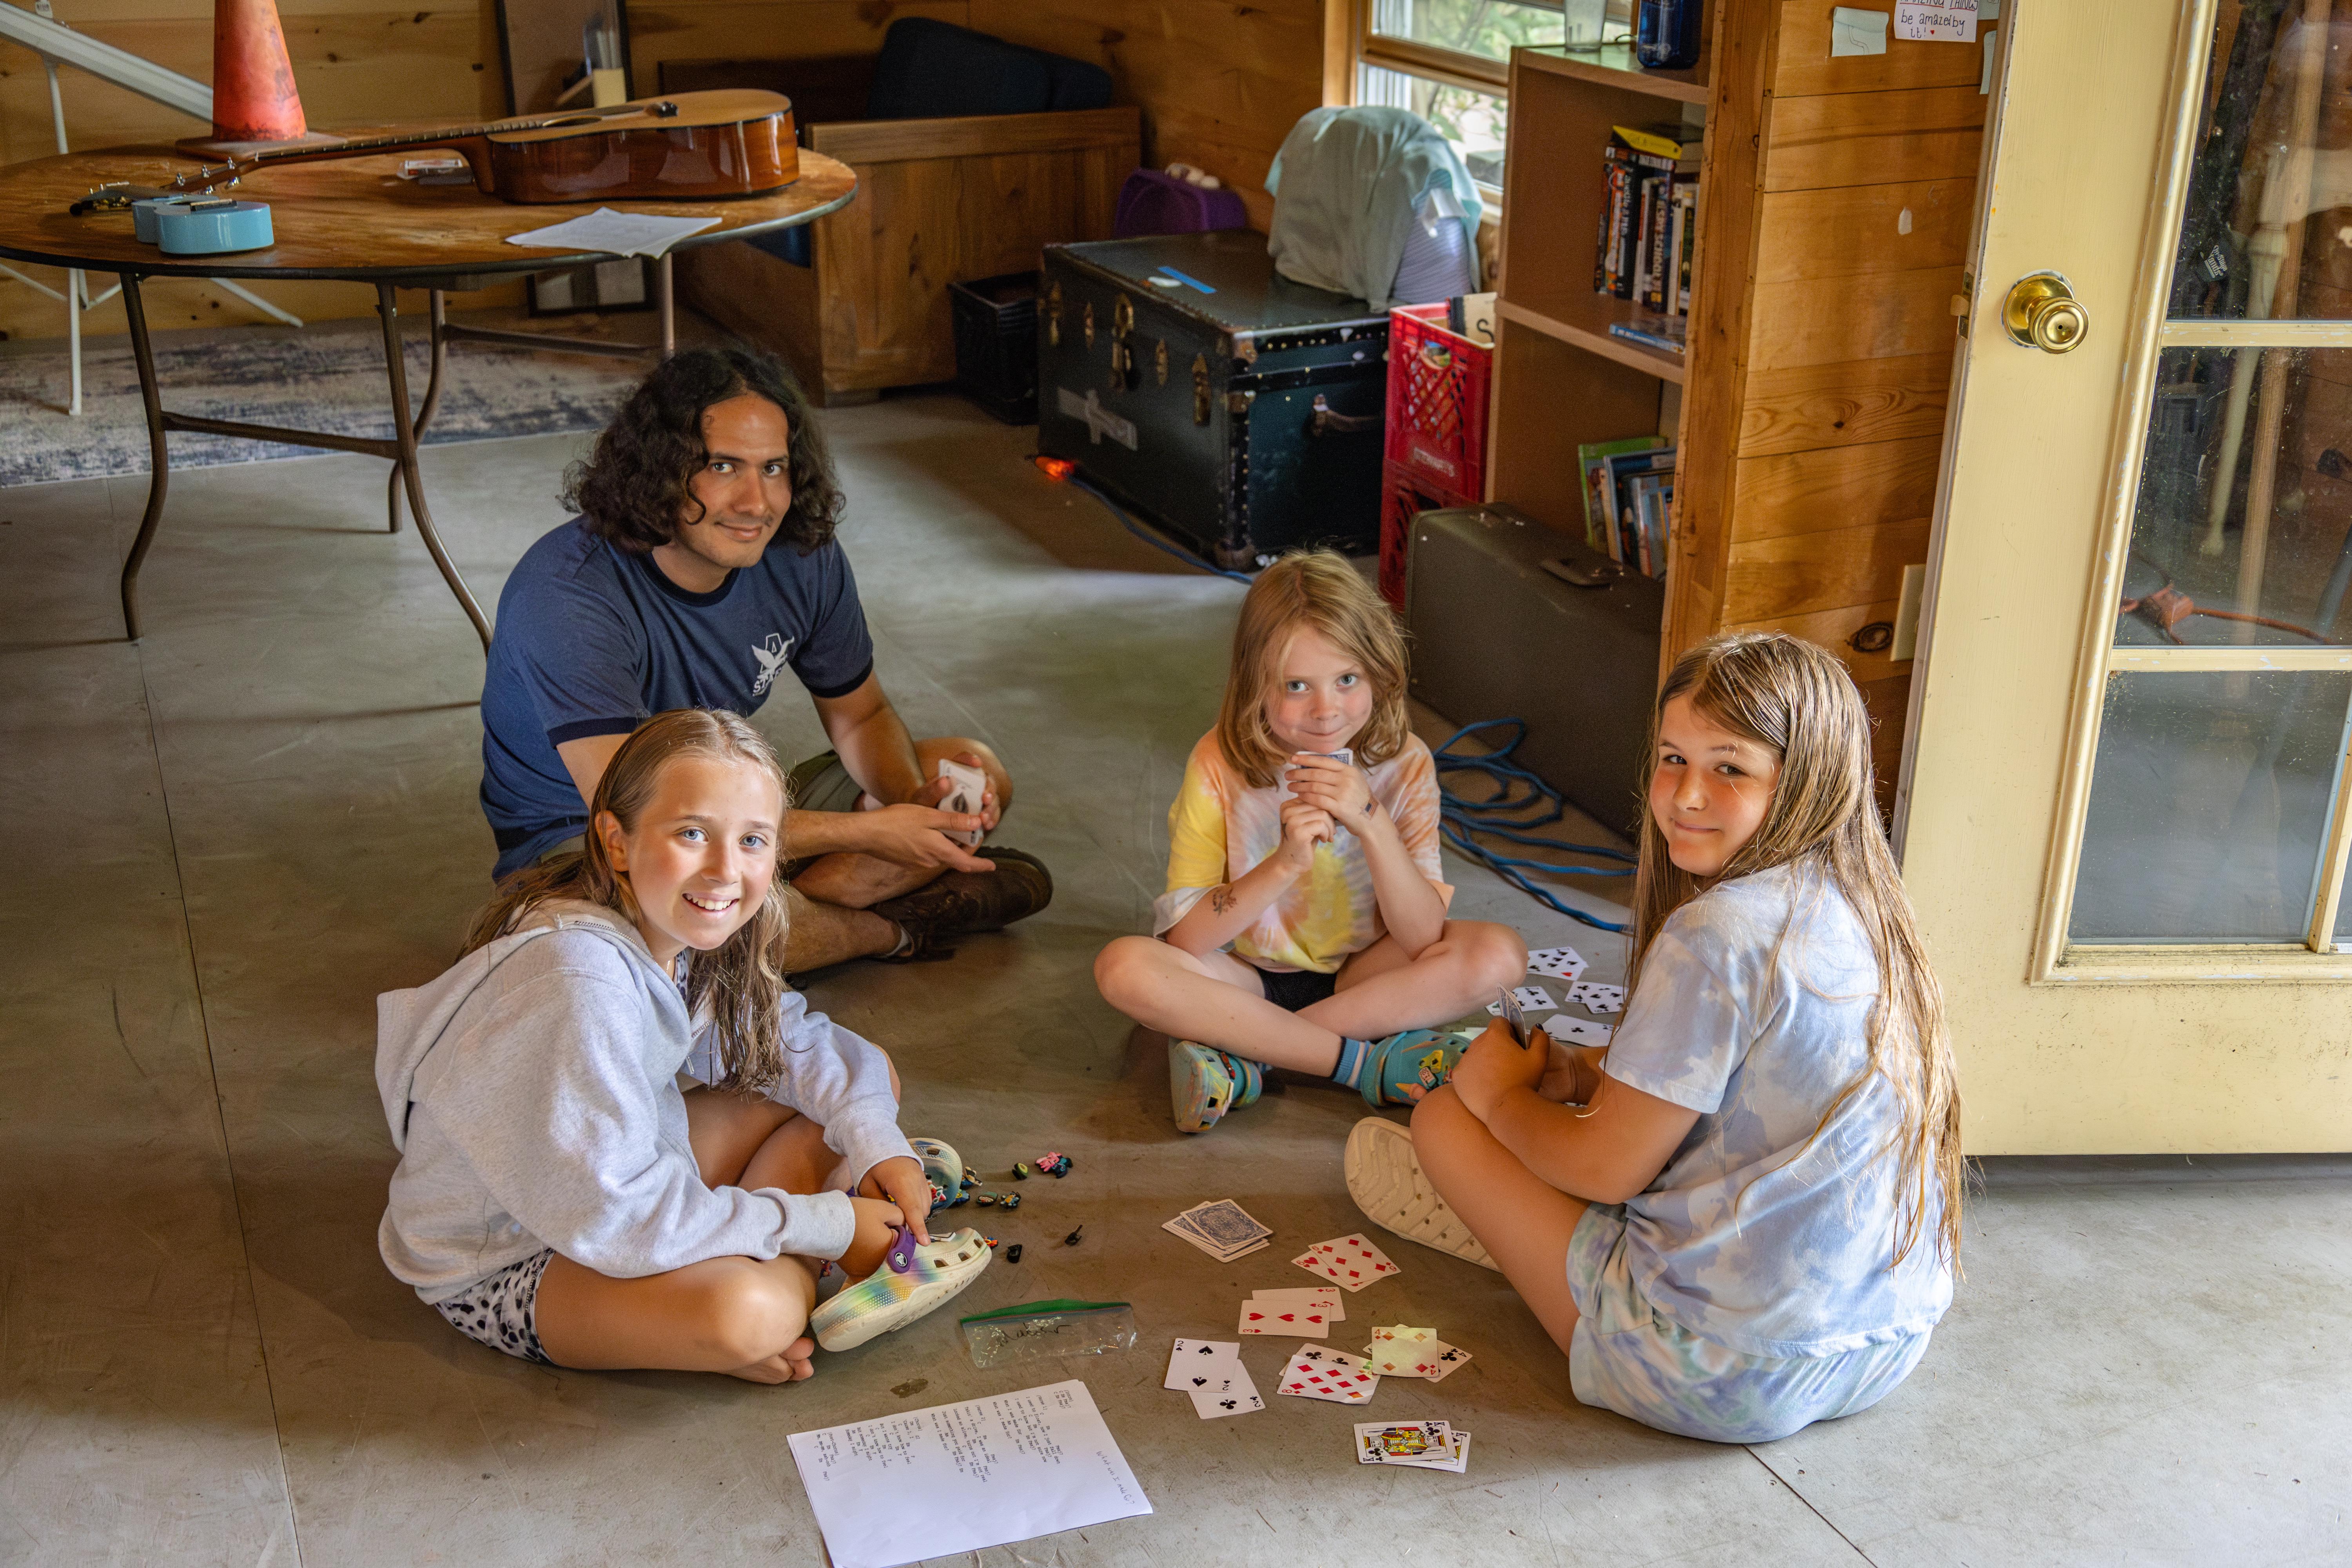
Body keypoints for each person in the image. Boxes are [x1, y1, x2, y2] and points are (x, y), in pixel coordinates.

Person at [1343, 632, 1959, 1444]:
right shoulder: (1867, 904)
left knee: (1445, 1121)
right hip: (1885, 1345)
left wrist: (1495, 1097)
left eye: (1729, 767)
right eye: (1673, 758)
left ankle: (1517, 1231)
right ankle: (1533, 1220)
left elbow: (1606, 1170)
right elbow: (1748, 1078)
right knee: (1574, 1124)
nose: (1686, 794)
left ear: (1807, 777)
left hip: (1720, 1373)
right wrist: (1588, 1076)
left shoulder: (1716, 934)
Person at [377, 709, 993, 1381]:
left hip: (617, 1187)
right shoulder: (580, 984)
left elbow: (796, 1044)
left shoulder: (680, 930)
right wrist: (830, 1225)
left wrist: (879, 1144)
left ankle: (771, 1257)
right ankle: (767, 1287)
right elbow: (615, 1218)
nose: (725, 871)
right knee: (751, 1316)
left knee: (864, 1089)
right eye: (693, 833)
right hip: (516, 1253)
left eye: (753, 840)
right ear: (616, 841)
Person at [478, 345, 1051, 972]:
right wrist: (869, 834)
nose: (757, 503)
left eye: (774, 468)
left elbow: (860, 715)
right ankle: (885, 928)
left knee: (975, 774)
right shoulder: (567, 595)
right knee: (670, 936)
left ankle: (783, 917)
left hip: (736, 802)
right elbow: (648, 813)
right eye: (723, 466)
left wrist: (913, 804)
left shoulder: (800, 552)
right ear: (659, 469)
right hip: (592, 839)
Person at [1093, 550, 1526, 1134]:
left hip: (1365, 974)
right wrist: (1284, 863)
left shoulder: (1406, 762)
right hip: (1244, 974)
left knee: (1500, 956)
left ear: (1377, 671)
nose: (1326, 711)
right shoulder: (1219, 761)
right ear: (1256, 685)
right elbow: (1187, 939)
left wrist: (1371, 821)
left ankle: (1249, 1056)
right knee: (1124, 968)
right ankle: (1366, 1065)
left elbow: (1422, 937)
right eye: (1297, 686)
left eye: (1347, 680)